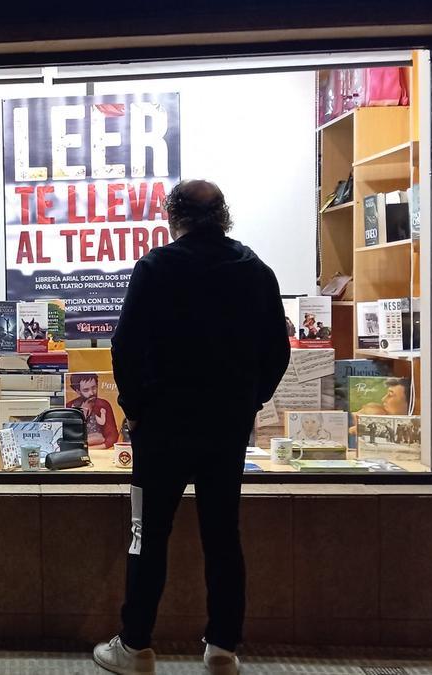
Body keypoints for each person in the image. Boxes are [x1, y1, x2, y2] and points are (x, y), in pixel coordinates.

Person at [96, 180, 290, 675]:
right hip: (226, 428)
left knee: (147, 535)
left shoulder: (155, 267)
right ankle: (223, 648)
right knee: (223, 536)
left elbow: (125, 347)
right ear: (224, 215)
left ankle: (135, 646)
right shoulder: (255, 270)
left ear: (171, 216)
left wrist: (136, 407)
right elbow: (278, 351)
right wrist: (250, 401)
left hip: (161, 427)